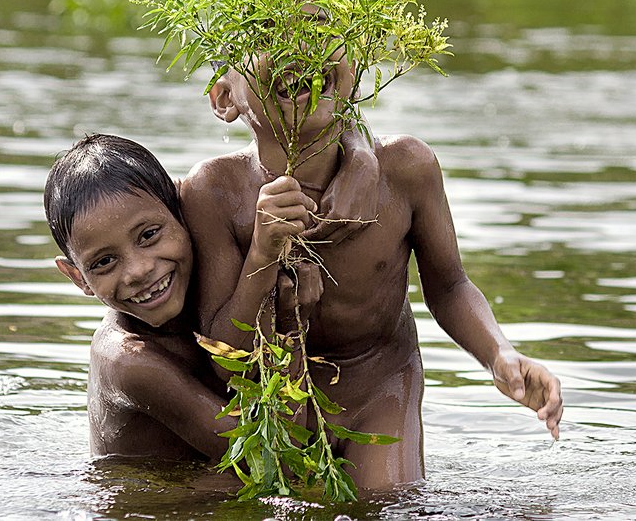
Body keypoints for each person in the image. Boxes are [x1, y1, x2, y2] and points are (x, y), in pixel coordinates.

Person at [180, 44, 564, 489]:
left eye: (318, 28)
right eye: (266, 36)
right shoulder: (214, 191)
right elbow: (224, 353)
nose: (298, 46)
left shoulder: (406, 168)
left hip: (380, 385)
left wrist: (499, 353)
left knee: (387, 503)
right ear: (224, 99)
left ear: (356, 72)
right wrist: (262, 254)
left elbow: (450, 285)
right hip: (273, 399)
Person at [44, 132, 377, 460]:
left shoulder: (214, 281)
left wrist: (360, 156)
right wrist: (291, 322)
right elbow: (274, 458)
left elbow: (334, 126)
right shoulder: (127, 361)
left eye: (149, 235)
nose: (138, 271)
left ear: (183, 210)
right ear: (77, 277)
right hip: (154, 508)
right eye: (104, 262)